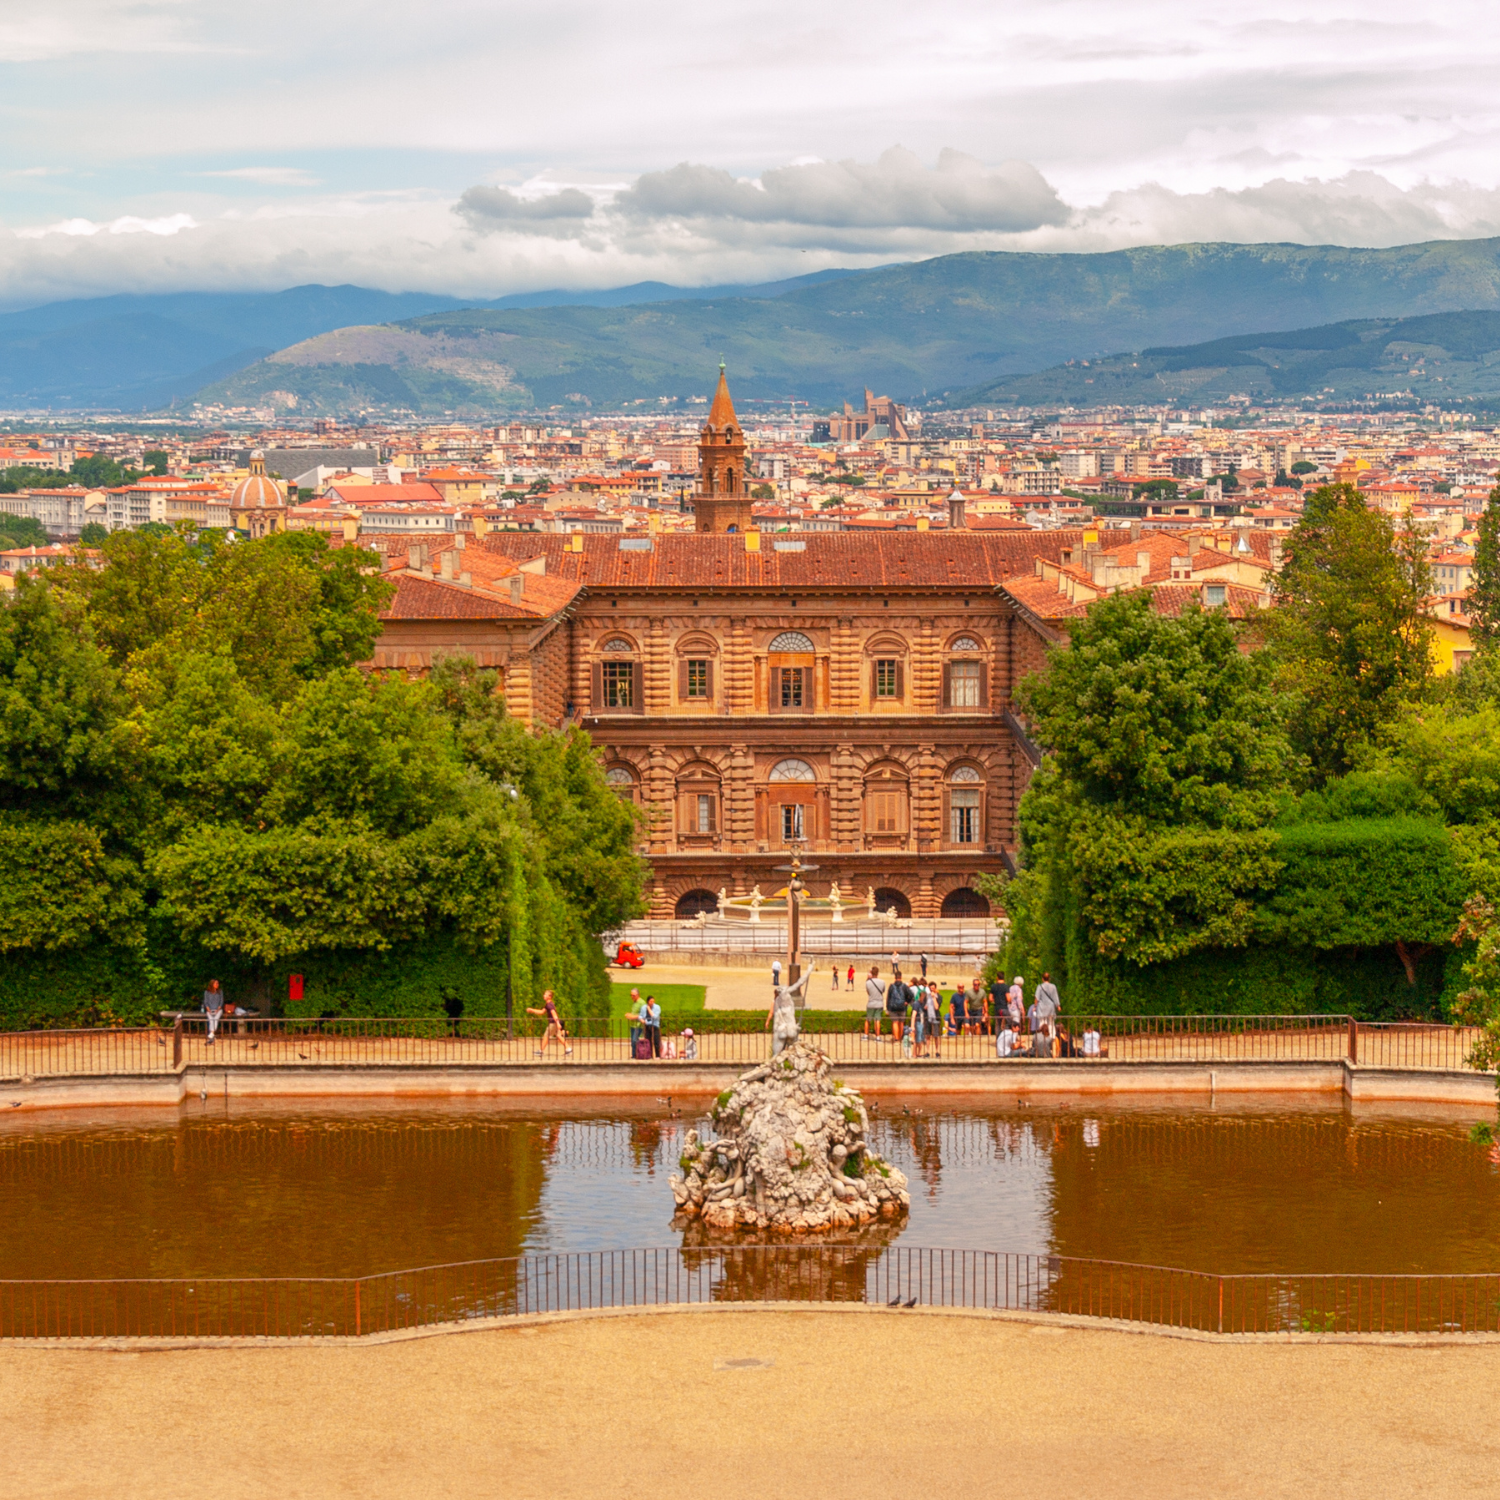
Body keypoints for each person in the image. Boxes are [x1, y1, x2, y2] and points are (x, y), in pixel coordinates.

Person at [765, 966, 815, 1056]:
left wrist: (768, 1022)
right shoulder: (787, 997)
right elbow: (800, 982)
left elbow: (771, 1013)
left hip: (781, 1030)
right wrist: (809, 970)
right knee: (795, 1054)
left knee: (776, 1056)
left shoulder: (776, 1002)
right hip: (791, 1031)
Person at [528, 990, 573, 1056]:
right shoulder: (548, 1004)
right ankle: (568, 1049)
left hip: (553, 1023)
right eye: (544, 994)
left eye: (545, 994)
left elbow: (554, 1014)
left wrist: (557, 1023)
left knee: (546, 1036)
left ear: (549, 996)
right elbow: (542, 1012)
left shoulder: (549, 1005)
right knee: (559, 1036)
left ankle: (541, 1051)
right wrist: (532, 1010)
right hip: (554, 1022)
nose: (544, 995)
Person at [1035, 972, 1060, 1055]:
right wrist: (1058, 1006)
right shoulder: (1053, 986)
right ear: (1049, 979)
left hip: (1042, 1009)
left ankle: (1042, 1043)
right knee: (1051, 1026)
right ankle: (1052, 1042)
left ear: (1042, 978)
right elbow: (1055, 997)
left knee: (1042, 1025)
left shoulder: (1039, 987)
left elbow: (1037, 998)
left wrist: (1035, 1006)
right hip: (1051, 1008)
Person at [885, 971, 910, 1048]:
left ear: (895, 978)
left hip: (893, 1007)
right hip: (902, 1006)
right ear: (901, 977)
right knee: (901, 1023)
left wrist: (887, 1008)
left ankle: (896, 1039)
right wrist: (907, 1002)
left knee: (895, 1022)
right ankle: (900, 1038)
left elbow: (888, 998)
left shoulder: (891, 986)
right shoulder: (904, 986)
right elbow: (911, 995)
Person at [864, 967, 886, 1040]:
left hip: (871, 1002)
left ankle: (866, 1035)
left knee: (868, 1020)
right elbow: (883, 991)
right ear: (877, 973)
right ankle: (877, 1036)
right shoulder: (882, 982)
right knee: (877, 1020)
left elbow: (868, 993)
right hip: (879, 1003)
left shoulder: (868, 982)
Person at [202, 980, 225, 1045]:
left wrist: (218, 1008)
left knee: (215, 1020)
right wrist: (208, 1009)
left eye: (218, 983)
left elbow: (221, 1001)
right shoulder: (207, 992)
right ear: (212, 984)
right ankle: (212, 1036)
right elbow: (205, 1002)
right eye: (216, 983)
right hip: (210, 1010)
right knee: (211, 1020)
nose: (217, 984)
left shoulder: (220, 992)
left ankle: (211, 1035)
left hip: (218, 1010)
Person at [625, 988, 644, 1057]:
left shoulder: (642, 1003)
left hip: (638, 1025)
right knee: (633, 1041)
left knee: (634, 1040)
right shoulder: (634, 1003)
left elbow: (643, 1014)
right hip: (633, 1025)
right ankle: (634, 1055)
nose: (632, 997)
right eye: (631, 995)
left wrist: (632, 1016)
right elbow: (635, 1013)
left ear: (638, 995)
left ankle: (636, 1055)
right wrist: (629, 1015)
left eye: (633, 995)